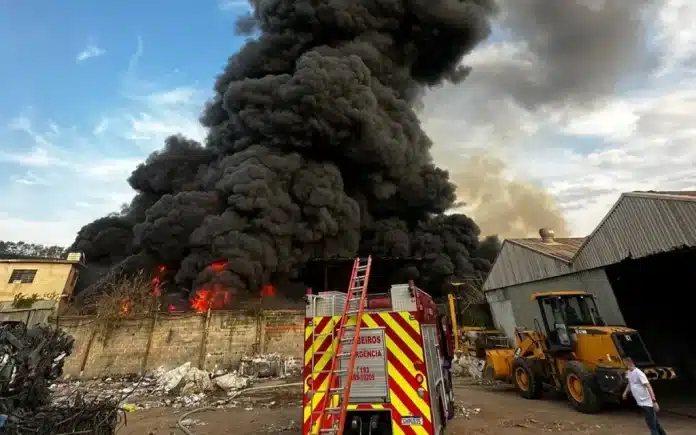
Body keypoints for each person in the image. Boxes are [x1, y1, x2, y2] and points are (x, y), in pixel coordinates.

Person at [622, 357, 668, 435]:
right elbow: (630, 383)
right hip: (641, 402)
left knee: (652, 426)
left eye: (625, 364)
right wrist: (625, 392)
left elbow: (648, 386)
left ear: (630, 363)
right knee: (655, 423)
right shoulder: (629, 372)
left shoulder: (639, 373)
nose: (624, 366)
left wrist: (654, 401)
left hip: (647, 402)